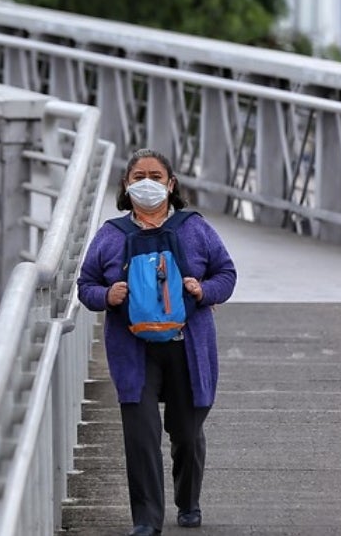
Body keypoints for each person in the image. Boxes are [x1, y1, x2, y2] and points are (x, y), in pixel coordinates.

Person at [77, 149, 237, 536]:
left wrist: (204, 290)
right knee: (141, 435)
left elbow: (226, 274)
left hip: (187, 346)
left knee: (185, 431)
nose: (146, 183)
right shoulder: (110, 236)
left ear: (171, 184)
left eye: (155, 175)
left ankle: (188, 500)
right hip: (134, 351)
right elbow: (86, 284)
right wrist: (105, 296)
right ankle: (146, 519)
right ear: (125, 185)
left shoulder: (194, 229)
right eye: (137, 177)